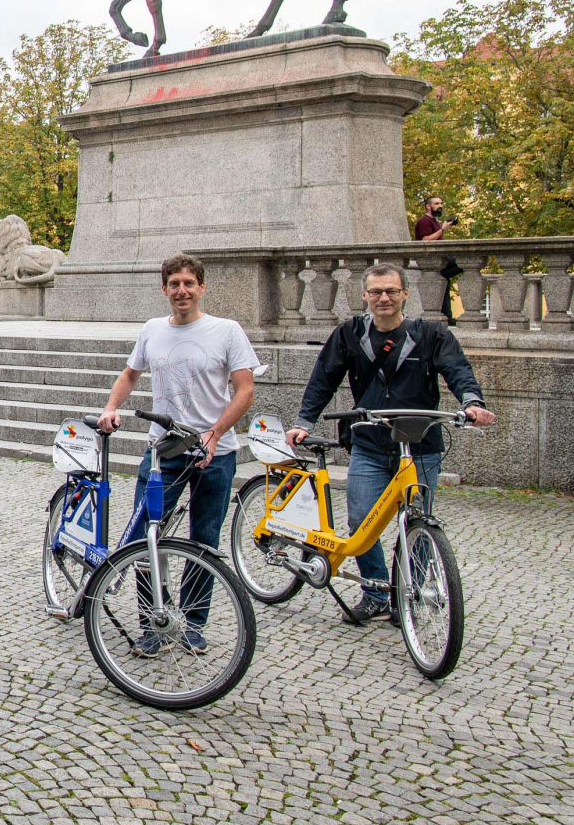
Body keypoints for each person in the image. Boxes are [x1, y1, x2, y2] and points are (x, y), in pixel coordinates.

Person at [286, 263, 495, 623]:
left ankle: (409, 594)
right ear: (365, 296)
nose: (384, 298)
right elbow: (324, 378)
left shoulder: (432, 335)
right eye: (376, 292)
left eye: (391, 291)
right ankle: (376, 591)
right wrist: (304, 422)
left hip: (420, 445)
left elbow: (458, 371)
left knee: (417, 522)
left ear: (405, 294)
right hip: (369, 442)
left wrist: (472, 403)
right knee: (361, 519)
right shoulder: (349, 333)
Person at [97, 253, 259, 656]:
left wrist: (216, 433)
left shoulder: (227, 331)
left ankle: (193, 622)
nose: (182, 291)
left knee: (204, 541)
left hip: (214, 452)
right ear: (164, 289)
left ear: (201, 287)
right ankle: (153, 622)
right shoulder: (152, 329)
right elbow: (130, 374)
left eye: (189, 283)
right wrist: (111, 407)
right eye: (174, 284)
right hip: (163, 451)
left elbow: (245, 390)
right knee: (144, 536)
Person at [414, 195, 463, 324]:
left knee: (445, 282)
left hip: (439, 260)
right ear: (428, 206)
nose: (440, 206)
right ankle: (448, 316)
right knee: (462, 261)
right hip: (430, 261)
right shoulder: (424, 221)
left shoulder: (435, 221)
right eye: (436, 204)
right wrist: (443, 229)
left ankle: (448, 316)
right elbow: (425, 241)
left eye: (441, 203)